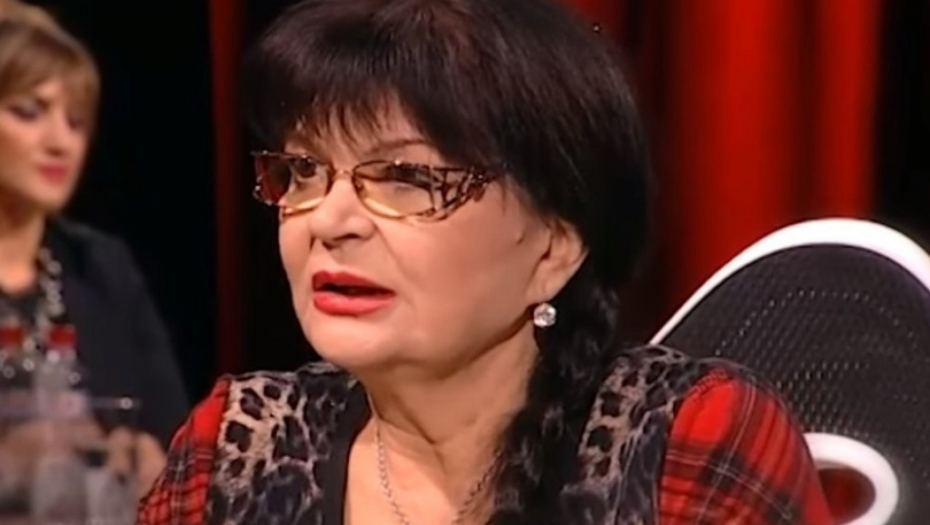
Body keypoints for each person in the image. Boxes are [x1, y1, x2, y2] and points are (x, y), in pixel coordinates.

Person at [139, 0, 832, 523]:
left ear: (555, 245)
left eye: (406, 178)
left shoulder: (687, 443)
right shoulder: (235, 449)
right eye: (302, 172)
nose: (329, 221)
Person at [0, 0, 187, 489]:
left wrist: (150, 462)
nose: (60, 142)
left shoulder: (103, 268)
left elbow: (172, 437)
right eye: (28, 111)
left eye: (76, 121)